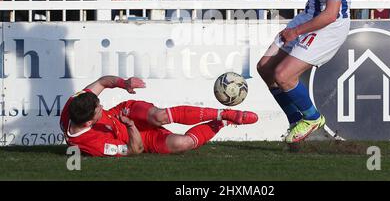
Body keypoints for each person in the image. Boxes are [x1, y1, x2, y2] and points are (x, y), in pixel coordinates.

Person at [257, 0, 352, 144]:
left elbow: (330, 14)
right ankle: (295, 119)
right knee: (265, 68)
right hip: (309, 14)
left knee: (284, 75)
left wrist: (295, 32)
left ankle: (313, 118)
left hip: (329, 25)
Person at [60, 75, 258, 156]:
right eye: (98, 109)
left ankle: (225, 112)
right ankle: (222, 122)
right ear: (88, 122)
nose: (101, 105)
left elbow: (102, 82)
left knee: (160, 116)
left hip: (123, 113)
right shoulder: (93, 144)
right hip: (137, 137)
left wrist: (124, 83)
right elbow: (134, 149)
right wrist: (130, 126)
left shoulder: (75, 104)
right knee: (183, 144)